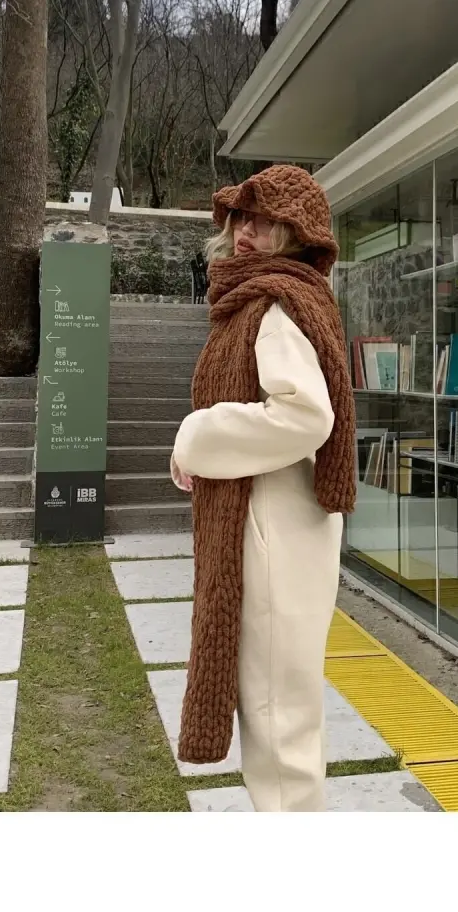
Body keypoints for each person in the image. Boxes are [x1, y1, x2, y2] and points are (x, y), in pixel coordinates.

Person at [170, 165, 356, 812]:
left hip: (275, 526)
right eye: (242, 217)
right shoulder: (274, 299)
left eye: (266, 220)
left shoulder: (274, 306)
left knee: (279, 717)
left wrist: (198, 434)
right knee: (282, 711)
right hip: (280, 520)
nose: (246, 230)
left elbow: (304, 417)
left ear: (296, 233)